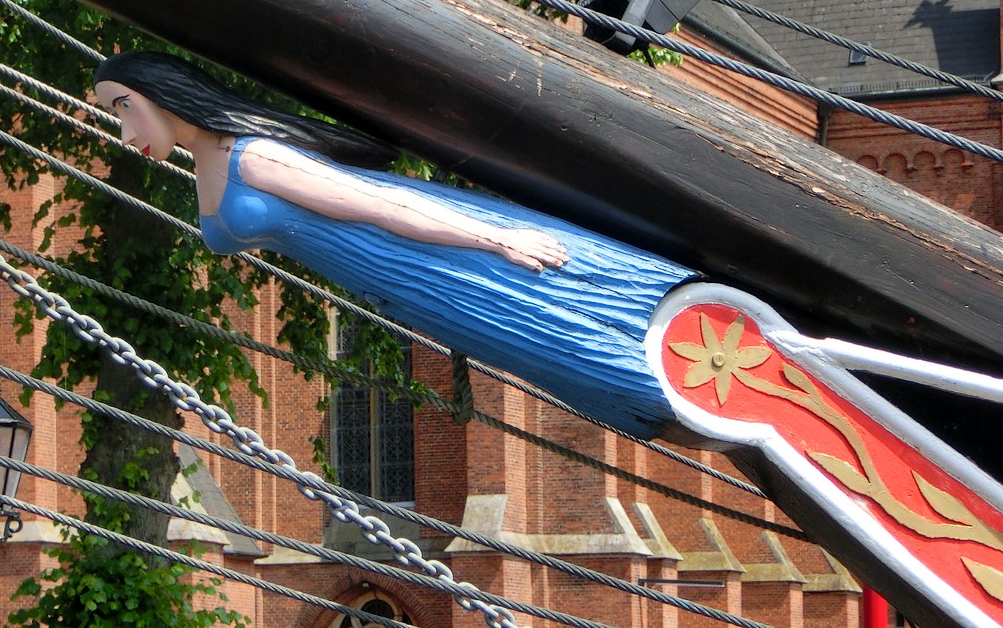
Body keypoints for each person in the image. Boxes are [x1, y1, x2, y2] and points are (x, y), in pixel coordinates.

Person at [93, 51, 698, 436]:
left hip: (414, 256)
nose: (123, 131)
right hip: (383, 279)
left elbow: (381, 206)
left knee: (548, 328)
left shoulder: (252, 157)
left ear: (163, 93)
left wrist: (496, 238)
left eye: (125, 108)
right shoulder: (210, 162)